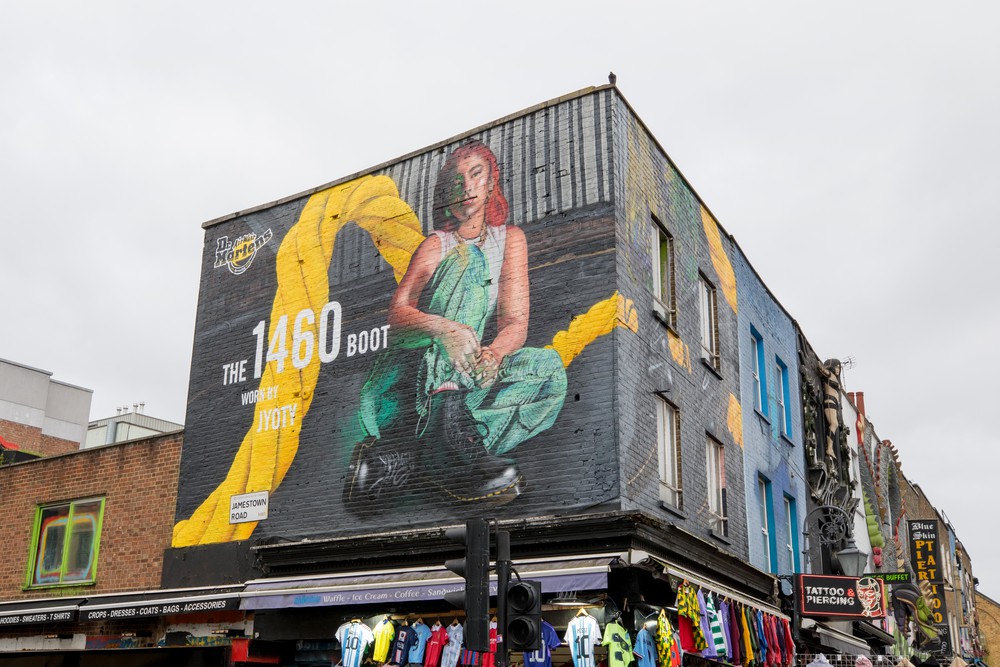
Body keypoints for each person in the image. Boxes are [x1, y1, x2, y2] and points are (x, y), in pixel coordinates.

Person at [343, 140, 567, 509]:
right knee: (470, 262)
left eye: (475, 175)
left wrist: (494, 355)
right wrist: (445, 330)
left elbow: (515, 322)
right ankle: (442, 447)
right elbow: (397, 317)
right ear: (446, 195)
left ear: (491, 182)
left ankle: (420, 456)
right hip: (406, 389)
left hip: (462, 387)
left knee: (548, 372)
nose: (466, 187)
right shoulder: (438, 244)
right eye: (456, 181)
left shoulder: (511, 240)